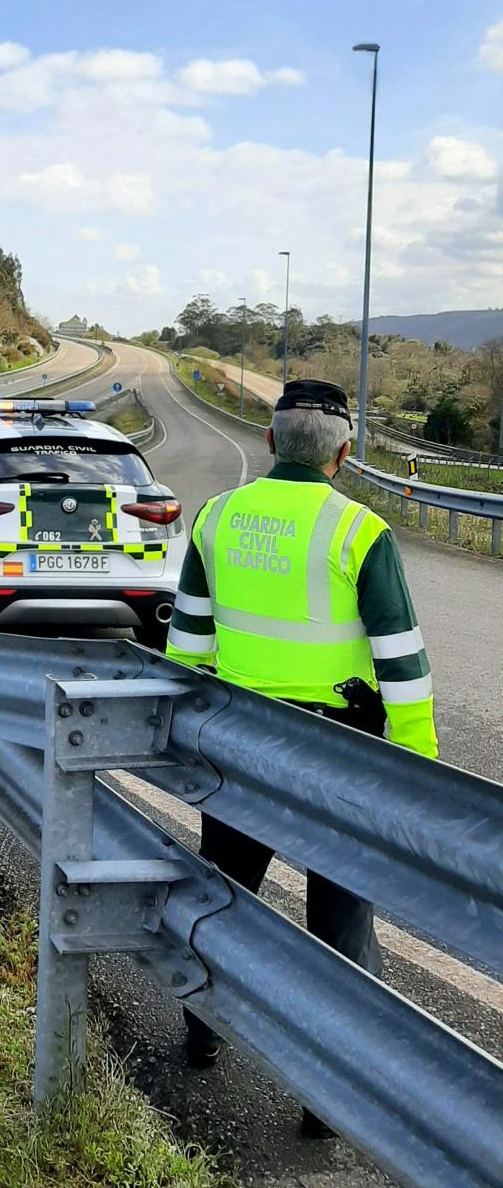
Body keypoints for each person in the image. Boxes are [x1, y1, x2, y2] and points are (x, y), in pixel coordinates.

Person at [165, 378, 437, 1138]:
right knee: (341, 923)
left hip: (239, 741)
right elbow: (403, 665)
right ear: (344, 454)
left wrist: (192, 741)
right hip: (336, 754)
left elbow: (186, 648)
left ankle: (202, 1031)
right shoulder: (361, 532)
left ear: (270, 441)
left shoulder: (217, 517)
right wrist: (418, 771)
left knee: (225, 895)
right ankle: (328, 1098)